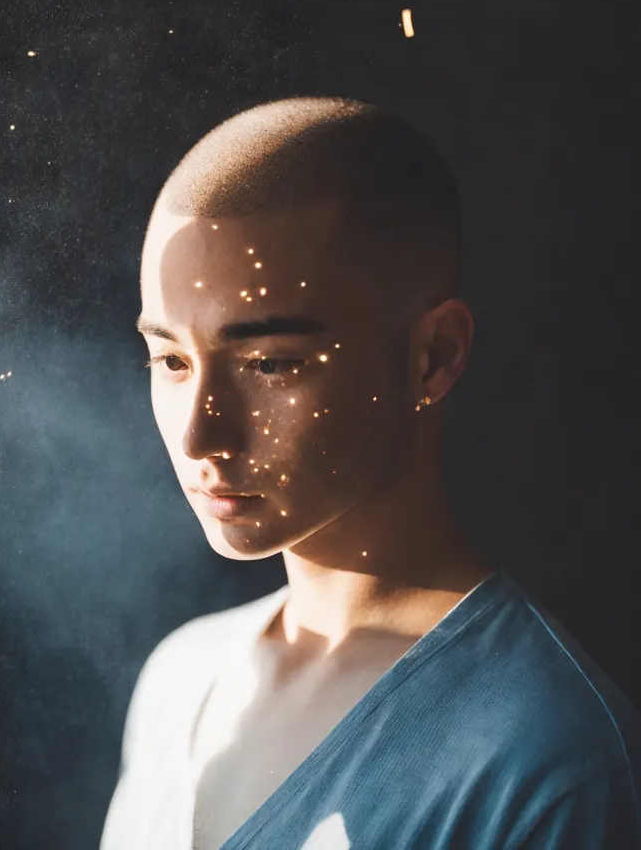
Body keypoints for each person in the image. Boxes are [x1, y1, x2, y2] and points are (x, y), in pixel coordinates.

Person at [100, 97, 641, 850]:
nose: (201, 432)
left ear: (434, 356)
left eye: (270, 364)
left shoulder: (547, 760)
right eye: (173, 361)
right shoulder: (180, 679)